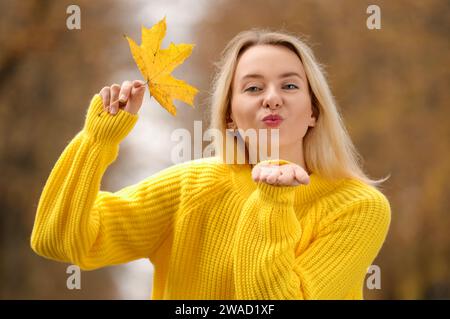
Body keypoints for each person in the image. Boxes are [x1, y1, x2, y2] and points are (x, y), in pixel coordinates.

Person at [30, 28, 391, 299]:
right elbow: (59, 240)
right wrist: (97, 140)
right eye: (252, 88)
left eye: (291, 86)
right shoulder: (191, 187)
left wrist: (272, 202)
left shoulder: (358, 207)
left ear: (314, 110)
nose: (272, 99)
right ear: (230, 116)